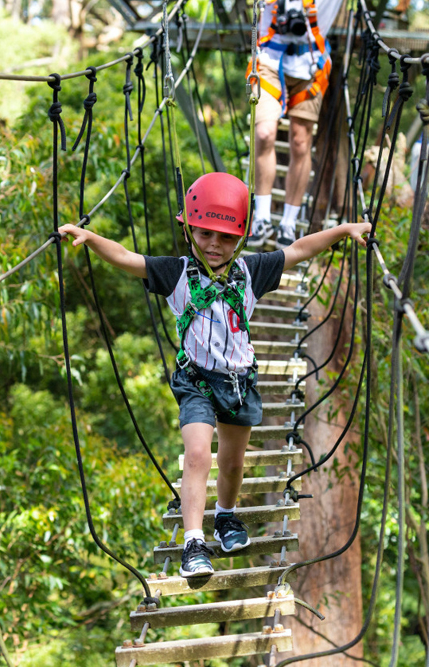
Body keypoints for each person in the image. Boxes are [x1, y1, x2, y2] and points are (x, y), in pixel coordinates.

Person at [58, 172, 369, 577]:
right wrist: (92, 239)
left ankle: (225, 517)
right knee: (199, 456)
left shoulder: (251, 272)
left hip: (239, 385)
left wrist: (343, 230)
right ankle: (193, 543)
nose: (214, 245)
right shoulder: (176, 273)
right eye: (204, 234)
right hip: (197, 383)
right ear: (189, 230)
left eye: (225, 238)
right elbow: (127, 258)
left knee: (233, 464)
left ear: (240, 239)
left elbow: (298, 250)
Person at [247, 0, 333, 250]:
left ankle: (288, 221)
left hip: (311, 66)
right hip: (267, 62)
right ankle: (261, 218)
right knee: (264, 133)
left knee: (300, 141)